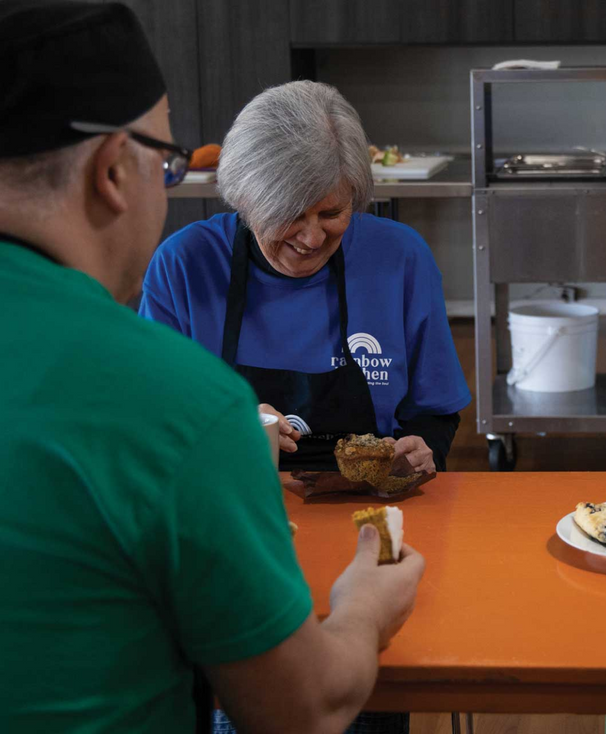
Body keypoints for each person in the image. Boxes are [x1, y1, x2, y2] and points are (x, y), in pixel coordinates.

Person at [0, 3, 423, 733]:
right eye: (165, 163)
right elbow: (304, 706)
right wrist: (362, 607)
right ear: (111, 172)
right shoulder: (178, 403)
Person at [140, 80, 470, 476]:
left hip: (375, 503)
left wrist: (423, 449)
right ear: (246, 200)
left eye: (332, 214)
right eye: (291, 214)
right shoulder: (185, 265)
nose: (313, 238)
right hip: (229, 503)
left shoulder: (400, 258)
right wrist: (226, 426)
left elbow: (434, 412)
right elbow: (150, 423)